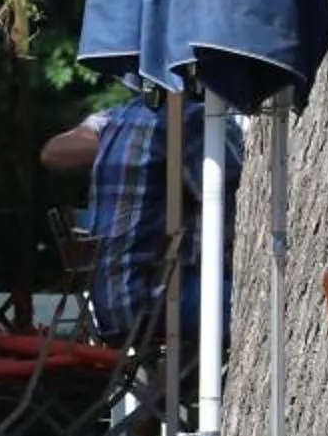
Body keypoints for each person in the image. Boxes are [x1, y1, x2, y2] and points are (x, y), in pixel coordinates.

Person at [40, 88, 238, 340]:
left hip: (108, 305)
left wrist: (126, 147)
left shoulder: (116, 121)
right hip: (150, 303)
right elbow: (236, 193)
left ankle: (168, 379)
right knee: (263, 301)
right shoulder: (190, 122)